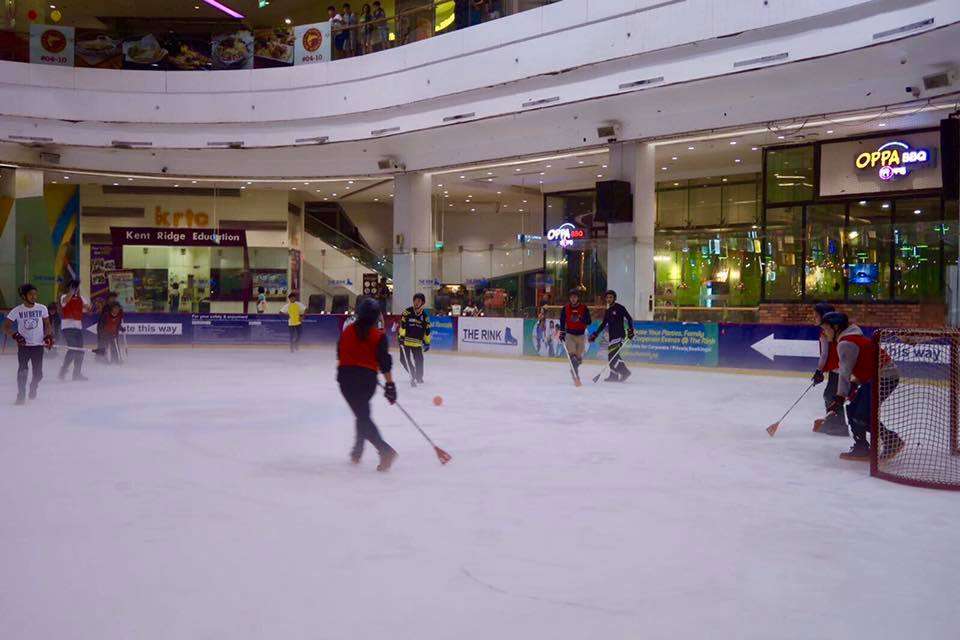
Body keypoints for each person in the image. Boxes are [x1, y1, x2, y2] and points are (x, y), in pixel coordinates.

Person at [820, 312, 903, 461]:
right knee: (853, 410)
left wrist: (839, 397)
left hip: (884, 377)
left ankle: (890, 441)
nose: (825, 333)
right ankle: (862, 447)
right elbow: (863, 365)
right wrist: (854, 384)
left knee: (861, 415)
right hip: (878, 376)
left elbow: (844, 372)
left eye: (826, 329)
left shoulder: (846, 343)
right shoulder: (850, 338)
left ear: (836, 327)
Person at [337, 296, 398, 471]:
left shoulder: (347, 331)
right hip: (367, 380)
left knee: (361, 414)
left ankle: (383, 450)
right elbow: (385, 363)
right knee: (362, 414)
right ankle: (359, 450)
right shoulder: (378, 336)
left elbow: (339, 353)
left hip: (347, 380)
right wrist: (390, 385)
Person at [3, 283, 54, 405]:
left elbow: (47, 325)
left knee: (38, 374)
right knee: (22, 371)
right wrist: (15, 336)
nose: (34, 296)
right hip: (24, 347)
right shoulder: (17, 310)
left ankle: (33, 386)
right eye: (31, 294)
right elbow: (5, 327)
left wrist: (48, 336)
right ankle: (20, 395)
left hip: (38, 347)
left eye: (35, 294)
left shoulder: (42, 308)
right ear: (24, 296)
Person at [810, 302, 854, 436]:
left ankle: (839, 425)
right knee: (830, 395)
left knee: (832, 395)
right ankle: (833, 422)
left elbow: (825, 355)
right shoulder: (830, 332)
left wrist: (819, 371)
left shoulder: (828, 334)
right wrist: (820, 371)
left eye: (816, 315)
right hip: (838, 370)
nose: (813, 318)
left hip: (840, 370)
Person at [590, 289, 635, 382]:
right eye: (607, 297)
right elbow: (603, 325)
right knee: (612, 355)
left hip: (619, 335)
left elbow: (629, 318)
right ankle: (613, 375)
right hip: (612, 336)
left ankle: (625, 372)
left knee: (612, 355)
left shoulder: (620, 308)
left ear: (614, 298)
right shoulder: (608, 311)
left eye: (611, 297)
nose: (609, 299)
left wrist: (630, 330)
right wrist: (595, 334)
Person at [58, 278, 91, 381]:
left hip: (77, 327)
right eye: (73, 287)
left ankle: (76, 374)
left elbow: (87, 310)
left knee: (80, 351)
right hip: (67, 327)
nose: (76, 290)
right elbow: (65, 301)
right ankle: (63, 370)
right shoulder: (64, 296)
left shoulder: (81, 298)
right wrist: (71, 292)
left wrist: (89, 306)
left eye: (76, 288)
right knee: (72, 350)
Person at [558, 288, 591, 381]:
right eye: (571, 297)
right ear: (569, 298)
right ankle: (576, 375)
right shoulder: (565, 308)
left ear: (578, 298)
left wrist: (580, 318)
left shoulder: (584, 308)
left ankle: (574, 370)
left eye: (575, 297)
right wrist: (562, 332)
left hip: (581, 335)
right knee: (572, 357)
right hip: (570, 335)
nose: (573, 299)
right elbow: (562, 320)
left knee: (578, 359)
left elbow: (589, 321)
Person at [399, 292, 431, 385]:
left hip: (417, 343)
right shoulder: (407, 312)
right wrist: (401, 337)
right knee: (403, 359)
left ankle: (419, 377)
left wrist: (427, 342)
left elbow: (427, 330)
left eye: (419, 301)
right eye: (415, 300)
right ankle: (412, 373)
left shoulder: (425, 317)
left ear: (422, 303)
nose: (416, 302)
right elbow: (403, 325)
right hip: (405, 341)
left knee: (419, 360)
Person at [96, 291, 121, 362]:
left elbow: (117, 319)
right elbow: (103, 320)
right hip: (103, 328)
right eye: (112, 298)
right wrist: (102, 331)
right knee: (102, 343)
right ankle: (100, 359)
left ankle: (115, 359)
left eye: (115, 298)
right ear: (109, 299)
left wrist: (118, 327)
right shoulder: (106, 307)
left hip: (111, 329)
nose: (113, 300)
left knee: (114, 343)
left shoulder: (116, 306)